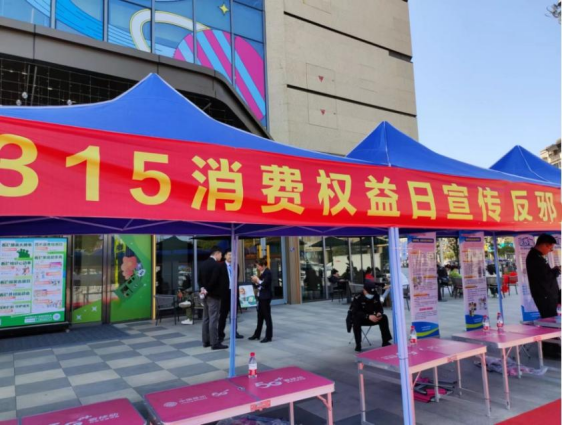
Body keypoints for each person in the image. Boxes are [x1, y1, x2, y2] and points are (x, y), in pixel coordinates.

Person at [348, 282, 392, 352]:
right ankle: (358, 344)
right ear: (364, 290)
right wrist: (367, 316)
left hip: (374, 317)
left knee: (384, 318)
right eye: (369, 293)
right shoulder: (358, 297)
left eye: (372, 293)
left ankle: (385, 341)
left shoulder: (376, 295)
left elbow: (380, 308)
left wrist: (379, 313)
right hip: (362, 318)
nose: (371, 295)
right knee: (355, 320)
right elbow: (355, 312)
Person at [199, 246, 227, 350]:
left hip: (205, 295)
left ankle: (205, 341)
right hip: (214, 295)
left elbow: (199, 279)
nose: (221, 256)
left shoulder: (203, 264)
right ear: (217, 253)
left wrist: (203, 288)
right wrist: (208, 289)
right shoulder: (216, 265)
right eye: (221, 254)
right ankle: (214, 342)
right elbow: (214, 280)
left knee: (206, 318)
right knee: (213, 318)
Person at [527, 234, 561, 319]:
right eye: (550, 248)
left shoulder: (538, 256)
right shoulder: (534, 258)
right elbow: (545, 278)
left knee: (554, 319)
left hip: (548, 295)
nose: (551, 251)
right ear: (544, 245)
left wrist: (555, 269)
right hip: (545, 297)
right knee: (551, 321)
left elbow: (544, 273)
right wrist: (557, 270)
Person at [218, 250, 244, 343]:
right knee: (223, 315)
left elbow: (236, 279)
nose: (231, 257)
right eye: (229, 255)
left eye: (232, 255)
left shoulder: (236, 266)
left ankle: (234, 332)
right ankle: (220, 334)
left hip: (234, 293)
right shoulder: (220, 266)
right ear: (225, 256)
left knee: (234, 314)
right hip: (225, 294)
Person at [249, 257, 273, 343]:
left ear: (263, 265)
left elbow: (264, 284)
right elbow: (258, 285)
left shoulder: (268, 272)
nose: (257, 268)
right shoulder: (263, 273)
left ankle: (268, 336)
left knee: (267, 317)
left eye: (258, 266)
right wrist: (254, 281)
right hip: (261, 297)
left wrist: (257, 280)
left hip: (265, 298)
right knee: (260, 317)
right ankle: (257, 334)